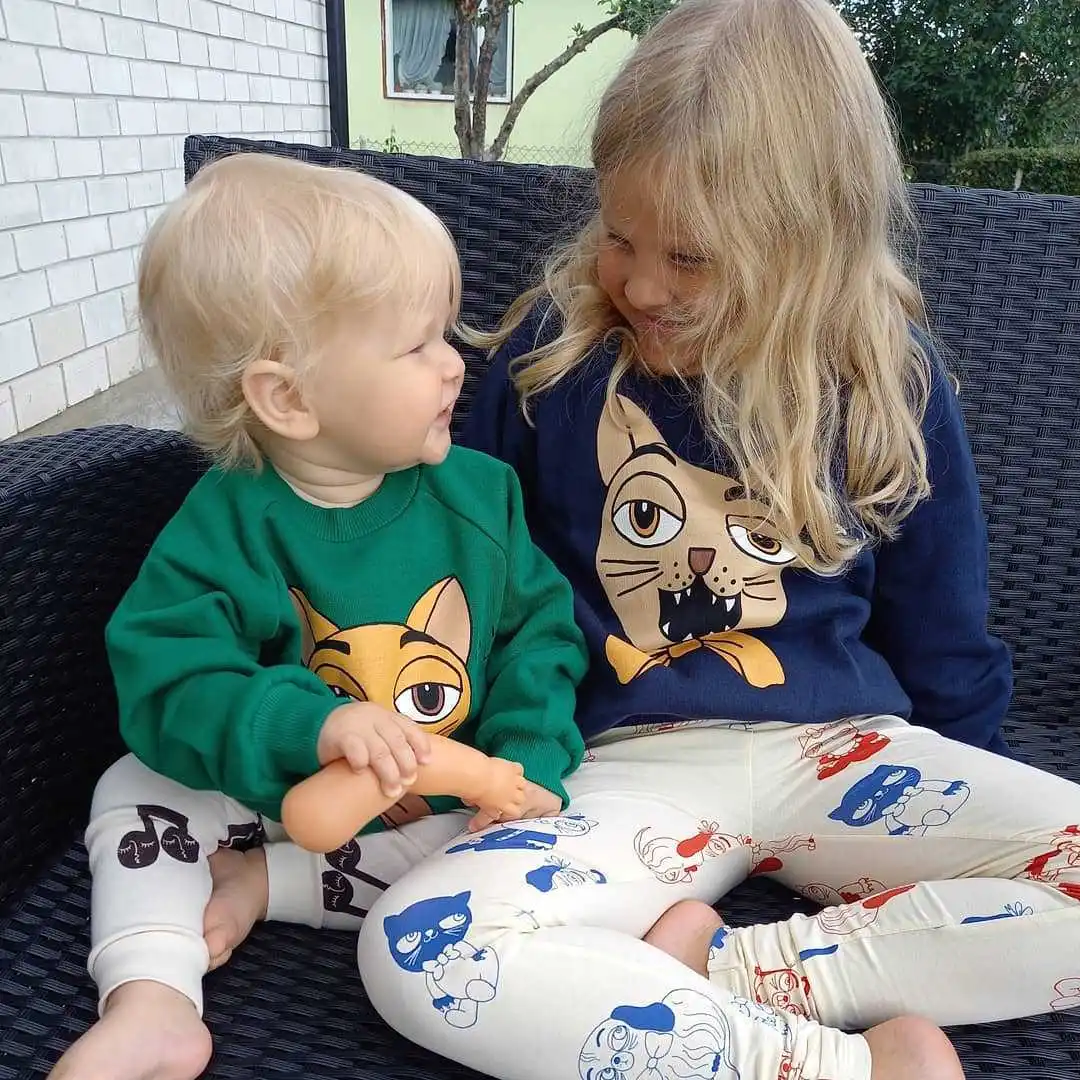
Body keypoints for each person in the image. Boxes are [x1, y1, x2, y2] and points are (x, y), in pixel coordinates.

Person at [356, 1, 1080, 1078]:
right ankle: (844, 1068)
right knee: (420, 950)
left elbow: (944, 632)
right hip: (622, 765)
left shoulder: (886, 377)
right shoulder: (553, 359)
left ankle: (735, 972)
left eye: (689, 258)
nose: (641, 284)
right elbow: (468, 574)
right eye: (619, 238)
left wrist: (979, 834)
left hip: (845, 753)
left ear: (809, 244)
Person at [49, 152, 588, 1080]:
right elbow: (168, 680)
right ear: (290, 398)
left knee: (516, 858)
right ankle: (153, 993)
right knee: (132, 789)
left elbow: (538, 638)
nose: (453, 363)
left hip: (433, 808)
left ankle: (270, 887)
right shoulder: (227, 523)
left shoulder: (480, 497)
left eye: (445, 334)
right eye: (417, 346)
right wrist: (313, 724)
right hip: (261, 793)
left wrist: (523, 762)